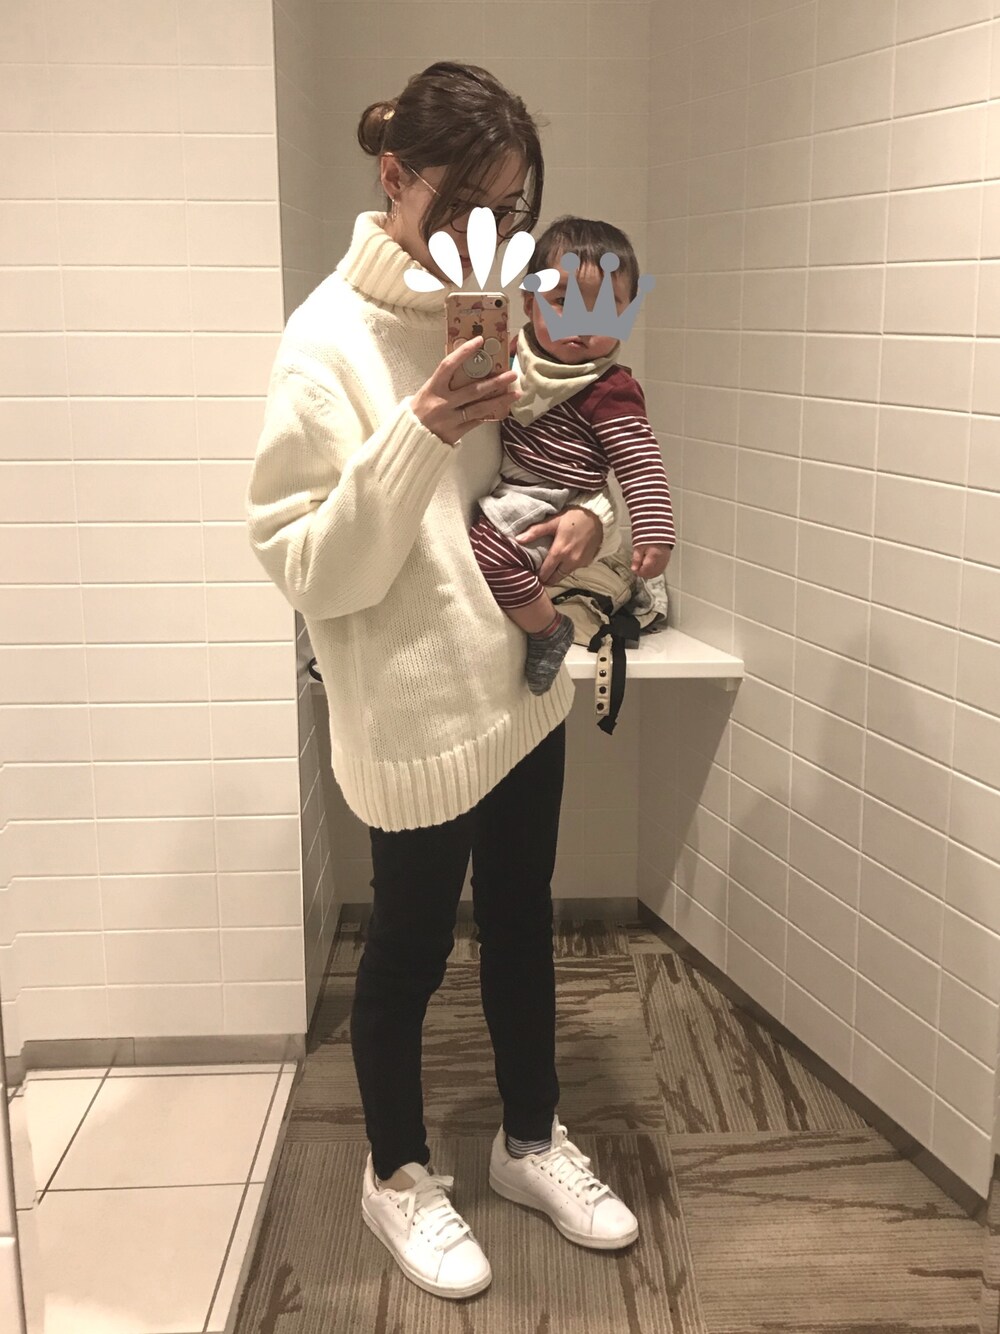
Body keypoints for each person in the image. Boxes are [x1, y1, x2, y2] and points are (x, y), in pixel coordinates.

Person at [245, 62, 639, 1303]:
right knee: (407, 953)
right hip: (414, 713)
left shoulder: (500, 310)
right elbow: (307, 565)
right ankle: (396, 1169)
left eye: (511, 210)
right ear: (393, 176)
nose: (491, 237)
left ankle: (528, 1137)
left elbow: (575, 454)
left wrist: (589, 520)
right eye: (465, 205)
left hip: (522, 683)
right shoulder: (323, 342)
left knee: (523, 921)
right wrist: (418, 428)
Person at [469, 217, 676, 694]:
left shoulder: (611, 389)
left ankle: (549, 630)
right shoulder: (511, 355)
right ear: (529, 303)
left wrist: (655, 532)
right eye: (562, 301)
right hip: (514, 488)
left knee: (488, 555)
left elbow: (640, 462)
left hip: (553, 497)